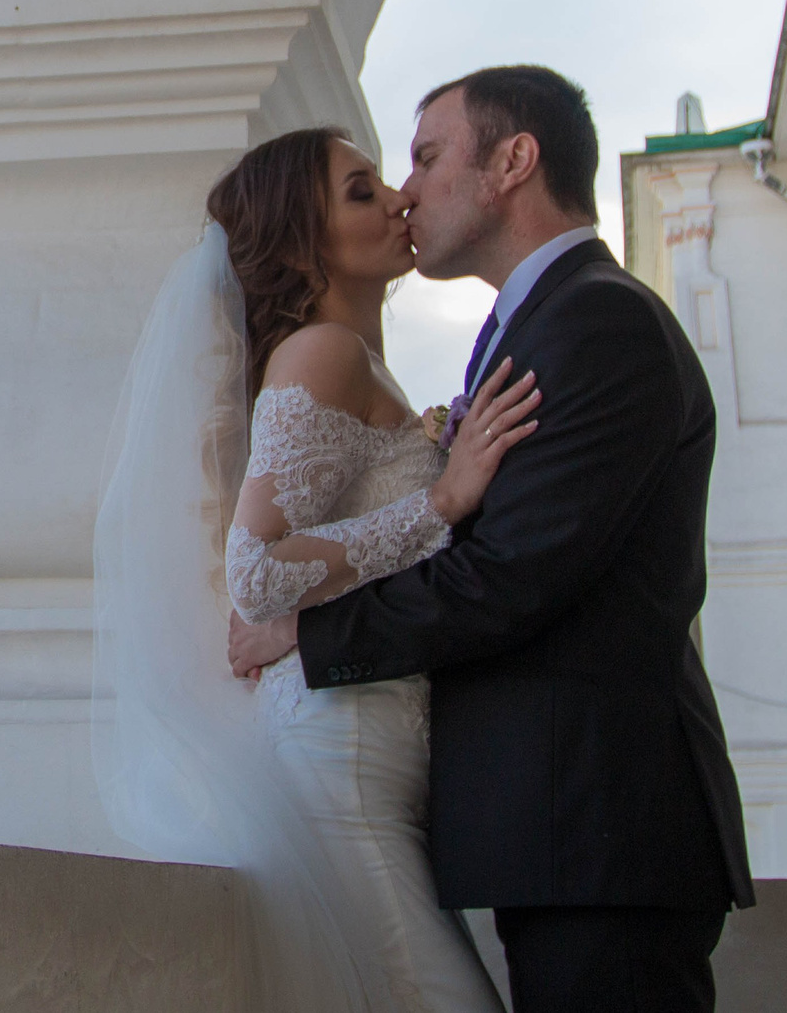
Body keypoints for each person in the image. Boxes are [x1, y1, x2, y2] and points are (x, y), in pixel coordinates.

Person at [227, 66, 754, 1011]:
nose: (407, 190)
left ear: (512, 162)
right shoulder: (538, 325)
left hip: (601, 826)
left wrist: (311, 637)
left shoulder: (598, 320)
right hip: (554, 830)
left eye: (427, 157)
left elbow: (513, 573)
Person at [93, 124, 540, 1012]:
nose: (400, 201)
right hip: (342, 754)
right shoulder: (323, 353)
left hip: (375, 743)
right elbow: (257, 570)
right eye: (362, 191)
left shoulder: (355, 361)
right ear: (307, 237)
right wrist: (440, 502)